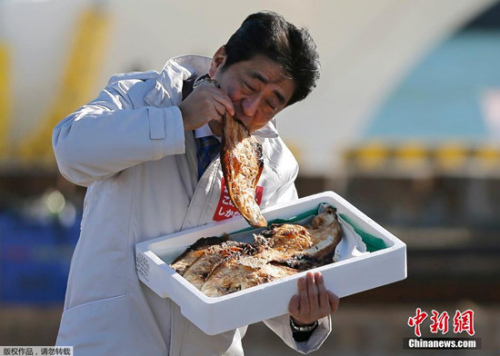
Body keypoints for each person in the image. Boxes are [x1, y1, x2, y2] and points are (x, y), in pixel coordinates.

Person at [53, 11, 339, 355]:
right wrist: (177, 120)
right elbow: (71, 151)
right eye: (249, 86)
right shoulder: (140, 98)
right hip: (108, 342)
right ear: (218, 62)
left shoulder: (274, 166)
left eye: (271, 104)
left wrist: (303, 319)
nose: (249, 108)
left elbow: (275, 269)